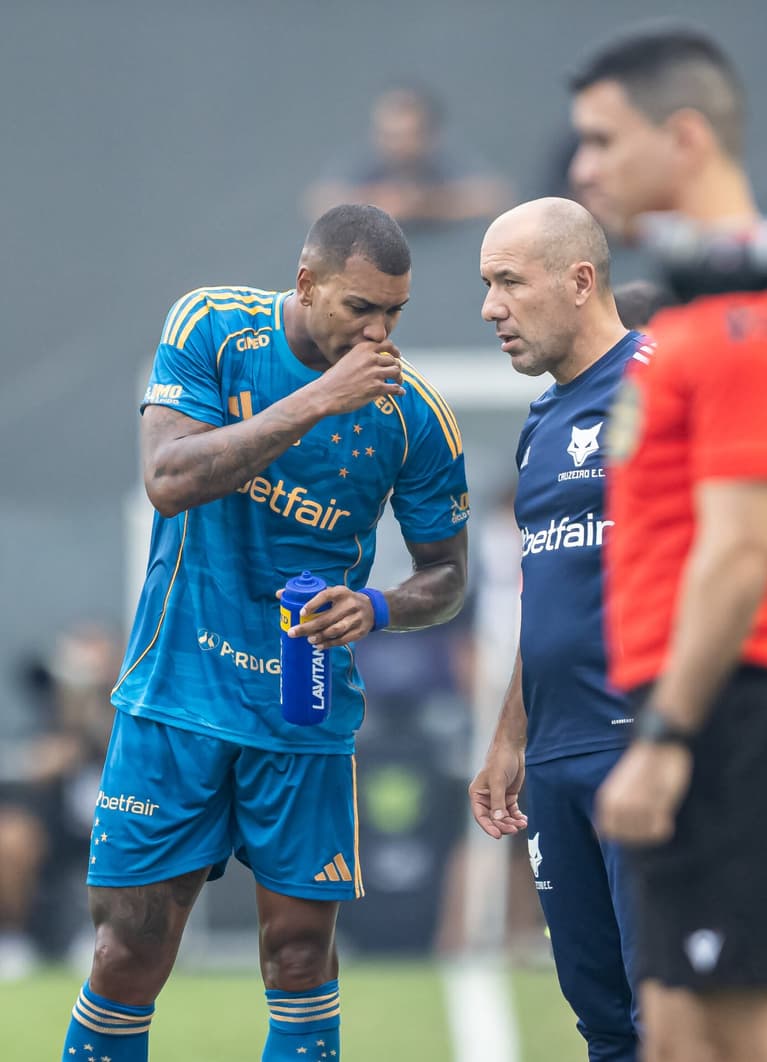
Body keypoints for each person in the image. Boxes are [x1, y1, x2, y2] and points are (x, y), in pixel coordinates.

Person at [58, 203, 469, 1062]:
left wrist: (383, 606)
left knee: (298, 956)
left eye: (395, 312)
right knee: (127, 950)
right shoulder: (210, 326)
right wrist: (319, 400)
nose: (380, 331)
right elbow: (168, 480)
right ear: (307, 282)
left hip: (301, 712)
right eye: (361, 307)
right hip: (175, 697)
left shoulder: (413, 417)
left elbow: (449, 576)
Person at [568, 25, 767, 1062]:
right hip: (707, 696)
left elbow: (738, 554)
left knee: (747, 1026)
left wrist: (667, 739)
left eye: (602, 140)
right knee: (679, 1028)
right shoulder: (703, 321)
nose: (586, 168)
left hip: (732, 704)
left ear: (681, 137)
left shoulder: (740, 333)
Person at [470, 196, 652, 1062]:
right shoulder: (541, 424)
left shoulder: (662, 387)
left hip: (644, 749)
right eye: (486, 284)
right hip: (556, 762)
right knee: (605, 1026)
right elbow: (553, 594)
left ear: (581, 281)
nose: (490, 307)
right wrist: (511, 737)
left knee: (676, 1020)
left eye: (508, 282)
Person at [303, 84, 512, 227]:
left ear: (430, 134)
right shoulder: (365, 164)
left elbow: (494, 196)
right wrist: (376, 205)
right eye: (390, 135)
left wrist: (425, 203)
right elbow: (320, 203)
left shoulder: (447, 162)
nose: (399, 145)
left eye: (409, 135)